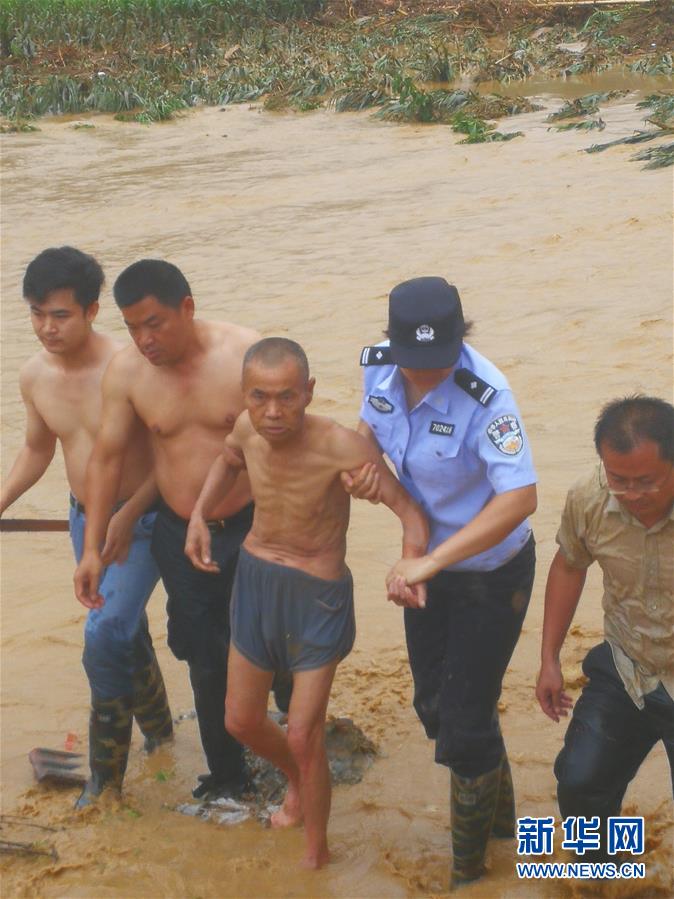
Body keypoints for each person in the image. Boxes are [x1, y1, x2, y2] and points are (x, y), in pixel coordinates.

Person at [184, 337, 428, 869]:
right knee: (240, 720)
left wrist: (408, 568)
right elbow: (227, 462)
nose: (273, 412)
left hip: (317, 595)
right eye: (260, 397)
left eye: (287, 397)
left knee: (302, 731)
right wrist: (200, 516)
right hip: (255, 579)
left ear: (309, 392)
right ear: (245, 397)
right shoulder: (247, 429)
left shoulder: (344, 448)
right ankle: (297, 779)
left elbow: (411, 514)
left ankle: (316, 853)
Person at [74, 259, 290, 801]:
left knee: (279, 641)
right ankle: (227, 777)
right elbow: (106, 460)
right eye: (131, 327)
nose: (144, 339)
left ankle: (297, 746)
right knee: (202, 651)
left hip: (255, 524)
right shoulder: (127, 374)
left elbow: (292, 437)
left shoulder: (245, 355)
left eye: (155, 323)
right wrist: (96, 546)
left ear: (187, 308)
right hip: (180, 532)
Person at [347, 276, 537, 888]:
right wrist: (364, 476)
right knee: (436, 707)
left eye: (440, 361)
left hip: (490, 571)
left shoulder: (487, 393)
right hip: (426, 560)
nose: (426, 374)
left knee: (464, 721)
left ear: (461, 340)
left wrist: (428, 560)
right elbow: (366, 440)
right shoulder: (376, 370)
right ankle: (504, 829)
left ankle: (469, 875)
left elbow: (520, 498)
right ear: (390, 345)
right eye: (414, 362)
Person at [0, 246, 172, 807]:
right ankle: (163, 739)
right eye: (36, 313)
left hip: (142, 520)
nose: (46, 328)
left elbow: (172, 455)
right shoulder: (34, 375)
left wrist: (126, 514)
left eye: (60, 315)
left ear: (93, 311)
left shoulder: (129, 366)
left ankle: (107, 782)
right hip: (85, 522)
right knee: (126, 629)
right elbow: (35, 449)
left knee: (105, 633)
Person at [536, 396, 674, 861]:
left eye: (646, 481)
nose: (631, 493)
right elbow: (569, 566)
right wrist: (549, 659)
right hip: (627, 666)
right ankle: (609, 876)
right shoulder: (590, 498)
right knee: (580, 783)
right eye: (619, 479)